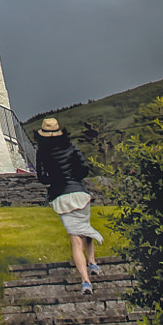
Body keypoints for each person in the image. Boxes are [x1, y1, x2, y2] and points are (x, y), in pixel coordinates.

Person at [32, 117, 104, 293]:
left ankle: (86, 281)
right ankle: (93, 263)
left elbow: (42, 177)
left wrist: (56, 180)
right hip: (79, 192)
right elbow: (83, 168)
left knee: (75, 240)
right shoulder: (70, 147)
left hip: (61, 196)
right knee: (84, 228)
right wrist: (73, 177)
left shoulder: (42, 151)